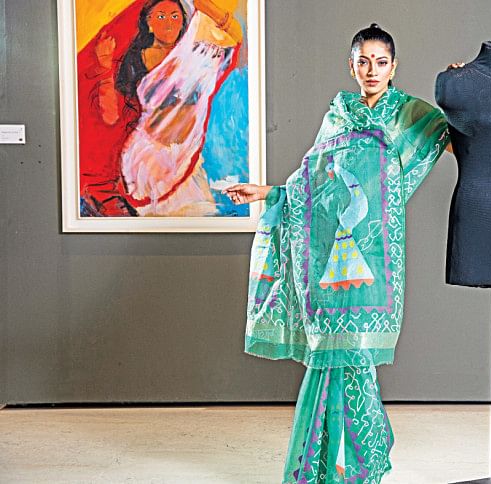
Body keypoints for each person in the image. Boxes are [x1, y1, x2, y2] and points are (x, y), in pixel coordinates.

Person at [225, 24, 451, 483]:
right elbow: (313, 185)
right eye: (363, 62)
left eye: (381, 62)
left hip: (375, 259)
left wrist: (459, 82)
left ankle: (359, 462)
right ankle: (326, 466)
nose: (372, 70)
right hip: (330, 259)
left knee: (357, 357)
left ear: (394, 67)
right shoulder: (337, 117)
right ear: (351, 66)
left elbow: (457, 130)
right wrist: (267, 193)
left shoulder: (409, 116)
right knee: (329, 357)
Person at [81, 0, 243, 216]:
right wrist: (104, 66)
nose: (168, 23)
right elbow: (110, 115)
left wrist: (203, 5)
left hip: (185, 158)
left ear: (183, 22)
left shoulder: (197, 55)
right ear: (148, 23)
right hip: (146, 162)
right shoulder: (135, 59)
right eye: (160, 16)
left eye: (175, 16)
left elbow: (235, 37)